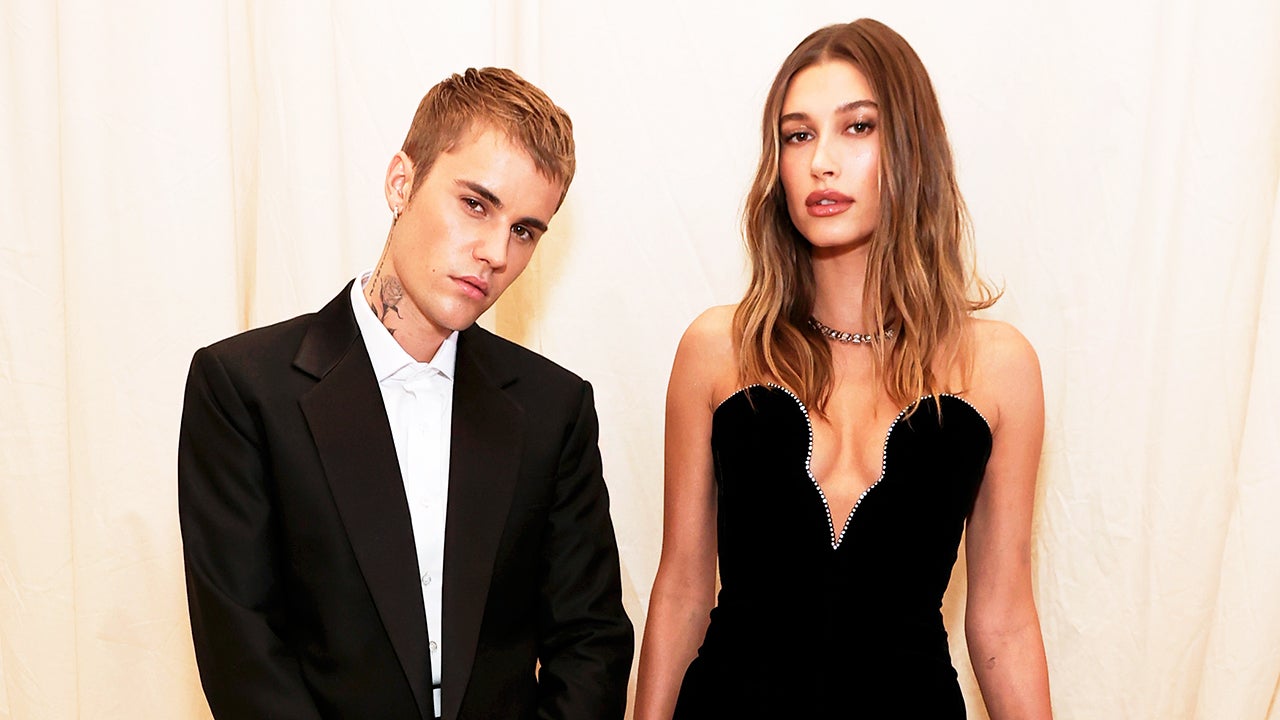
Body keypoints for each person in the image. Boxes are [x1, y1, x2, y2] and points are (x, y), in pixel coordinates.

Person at [178, 67, 633, 720]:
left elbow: (591, 641)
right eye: (475, 204)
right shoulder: (244, 388)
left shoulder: (553, 408)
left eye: (524, 230)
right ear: (401, 182)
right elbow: (244, 658)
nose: (495, 252)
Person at [635, 19, 1052, 719]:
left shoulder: (998, 368)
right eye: (798, 136)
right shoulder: (717, 351)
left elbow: (1003, 621)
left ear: (912, 150)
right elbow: (681, 590)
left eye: (858, 127)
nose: (821, 161)